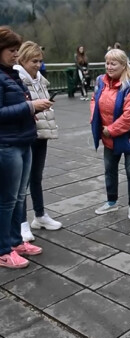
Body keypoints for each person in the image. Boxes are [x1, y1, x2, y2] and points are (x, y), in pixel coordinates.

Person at [0, 26, 47, 268]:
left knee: (19, 197)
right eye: (11, 50)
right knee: (7, 200)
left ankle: (16, 241)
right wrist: (30, 108)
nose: (15, 55)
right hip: (7, 144)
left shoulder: (12, 74)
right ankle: (3, 249)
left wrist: (32, 111)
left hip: (23, 140)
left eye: (17, 50)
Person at [14, 41, 62, 242]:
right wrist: (35, 106)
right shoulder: (16, 79)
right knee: (21, 182)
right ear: (23, 60)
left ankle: (40, 215)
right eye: (34, 61)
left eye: (40, 61)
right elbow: (18, 107)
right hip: (26, 134)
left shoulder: (40, 79)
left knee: (36, 177)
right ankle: (22, 222)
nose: (38, 65)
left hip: (41, 133)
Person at [91, 49, 130, 220]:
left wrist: (111, 130)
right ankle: (111, 202)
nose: (109, 66)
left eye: (113, 63)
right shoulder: (101, 81)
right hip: (108, 137)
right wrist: (96, 120)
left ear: (123, 65)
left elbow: (129, 117)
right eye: (107, 63)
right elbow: (94, 100)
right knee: (110, 171)